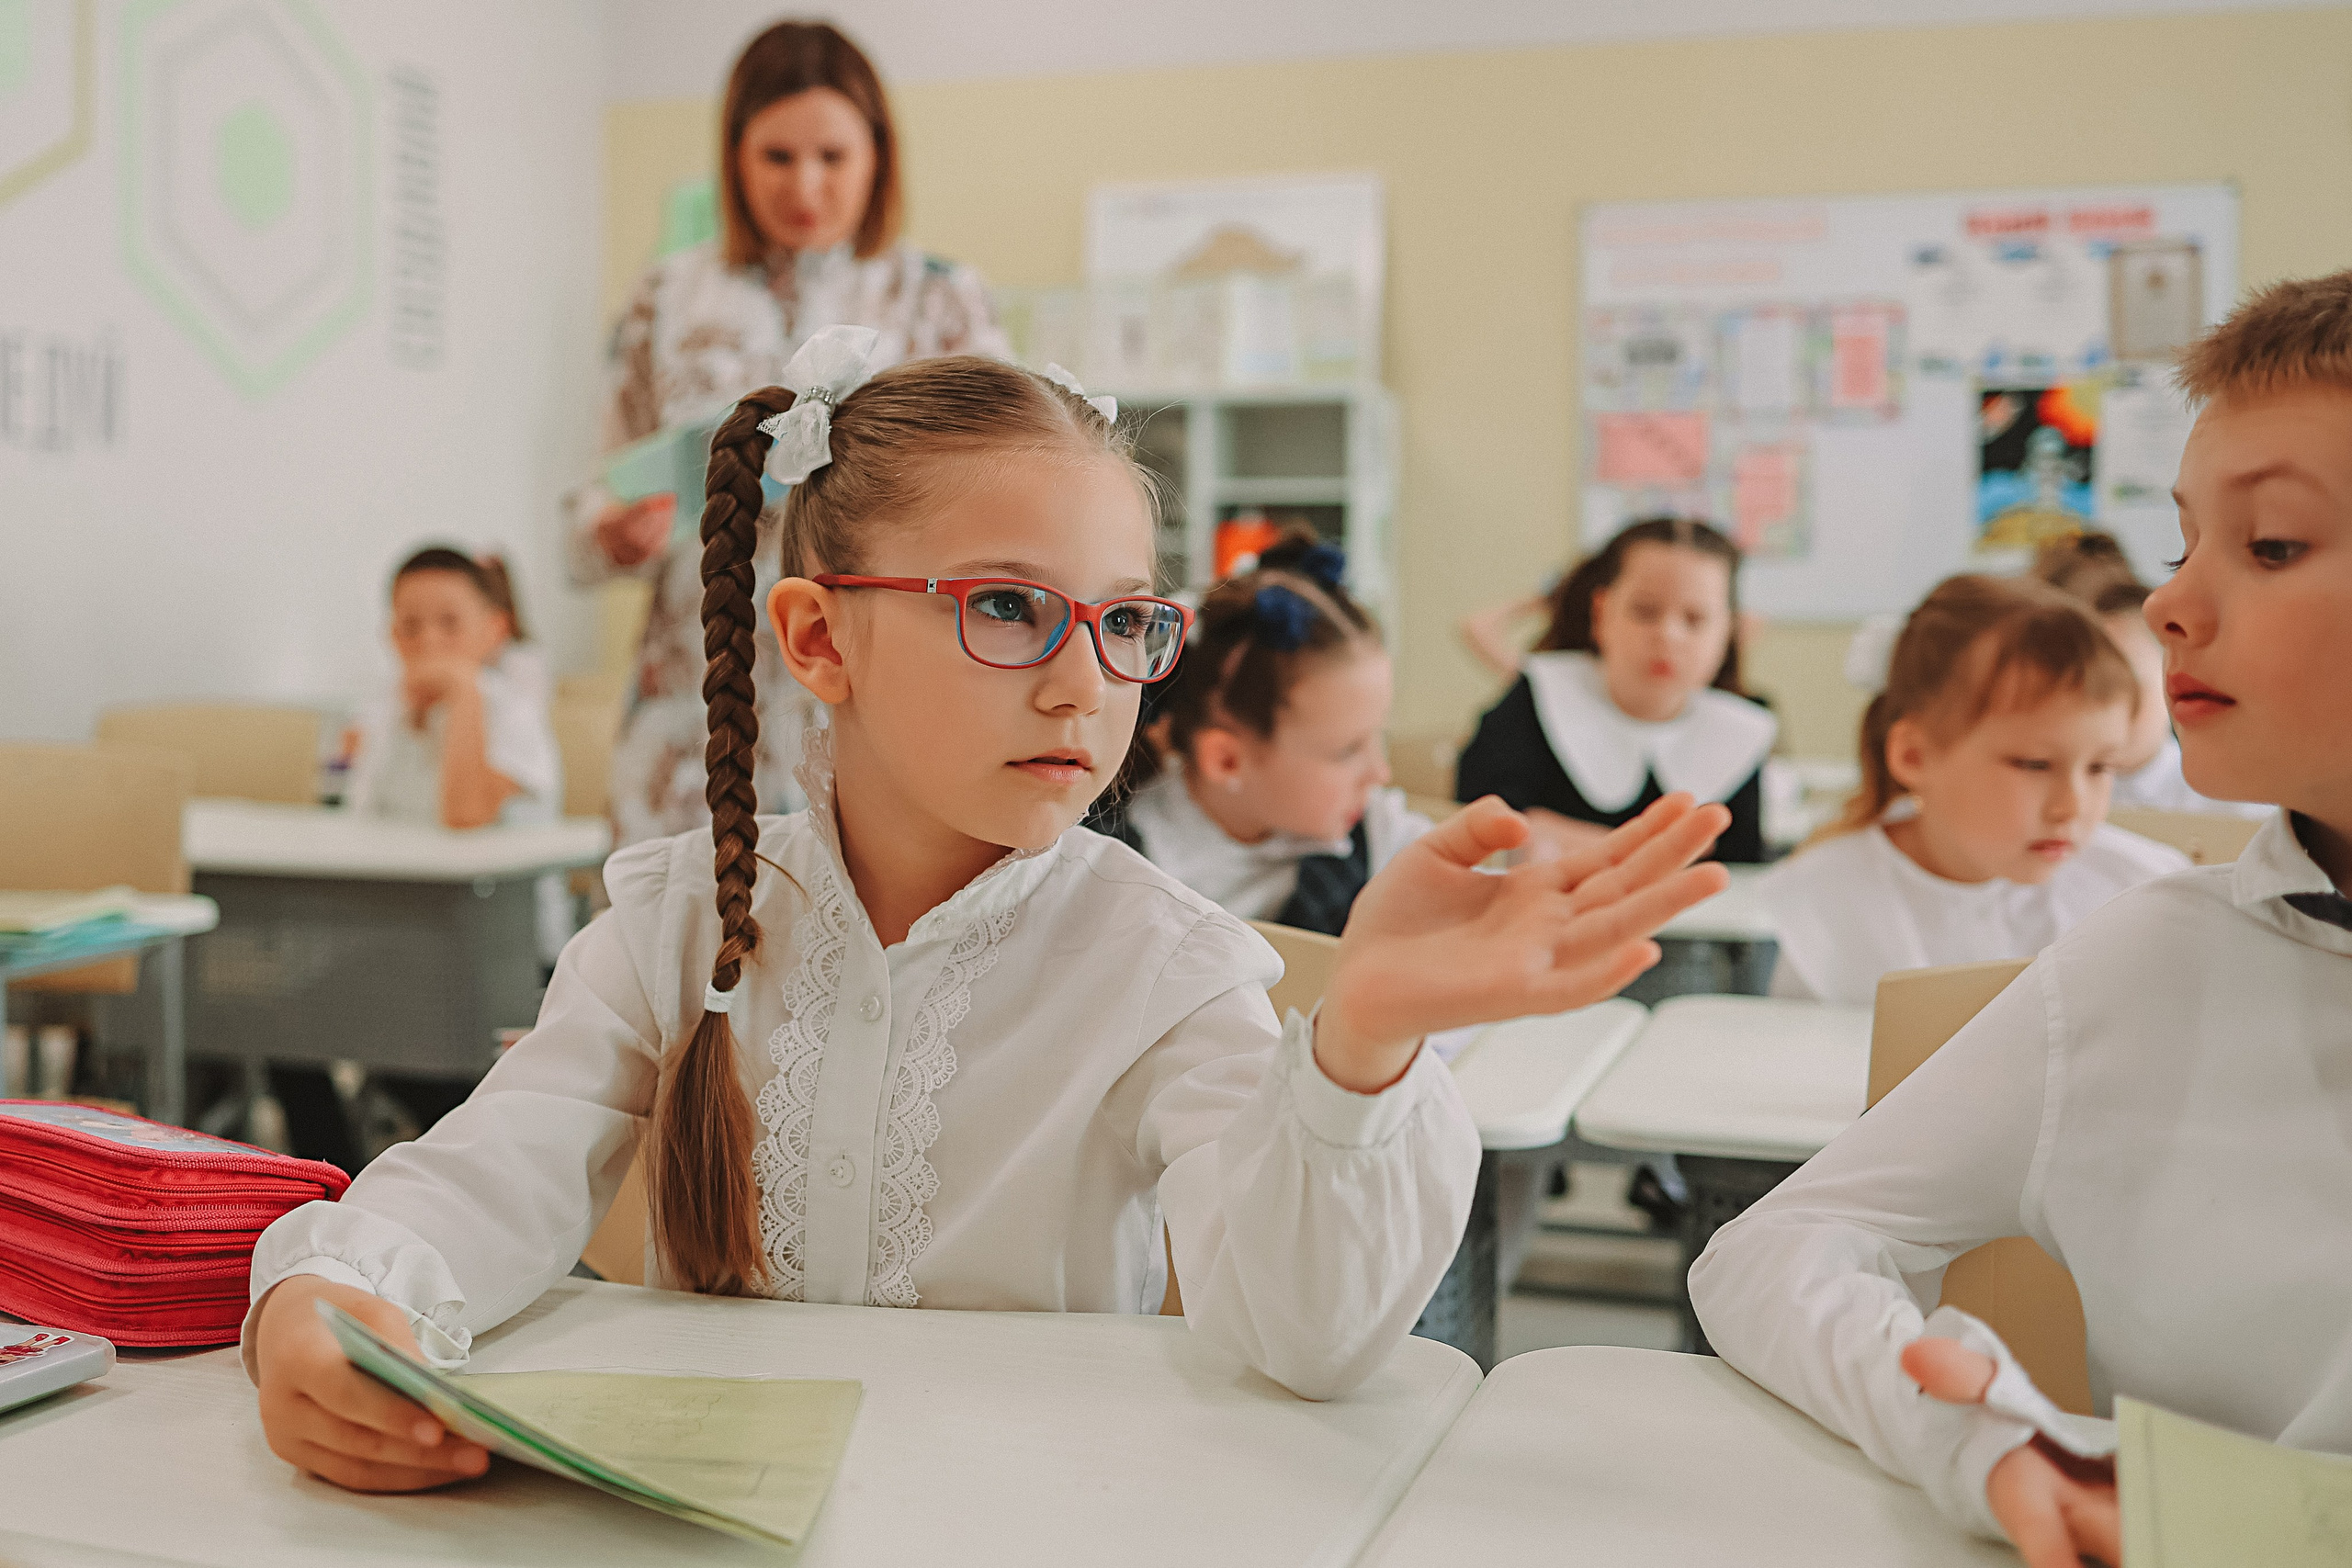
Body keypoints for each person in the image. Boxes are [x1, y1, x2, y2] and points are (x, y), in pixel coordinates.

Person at [243, 336, 1737, 1493]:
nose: (1086, 682)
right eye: (1010, 607)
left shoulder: (1167, 968)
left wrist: (1361, 1043)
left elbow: (1313, 1340)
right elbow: (478, 1181)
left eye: (1128, 620)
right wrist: (323, 1291)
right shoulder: (673, 919)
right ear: (820, 636)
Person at [1690, 269, 2352, 1568]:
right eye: (2184, 543)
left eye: (2271, 543)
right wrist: (1985, 1433)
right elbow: (1773, 1248)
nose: (2171, 603)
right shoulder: (2150, 962)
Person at [567, 20, 1008, 848]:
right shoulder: (665, 298)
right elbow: (586, 513)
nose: (805, 185)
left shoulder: (942, 301)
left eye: (832, 157)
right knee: (676, 958)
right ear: (735, 155)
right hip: (692, 718)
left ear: (877, 155)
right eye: (777, 157)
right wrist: (616, 534)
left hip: (875, 708)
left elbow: (1004, 500)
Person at [1760, 574, 2187, 1006]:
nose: (2072, 807)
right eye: (2034, 765)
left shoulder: (2141, 891)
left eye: (2101, 767)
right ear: (1914, 757)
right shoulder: (1830, 896)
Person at [1114, 531, 1429, 937]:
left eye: (1376, 737)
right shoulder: (1123, 871)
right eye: (1347, 750)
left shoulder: (1378, 836)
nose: (1380, 773)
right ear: (1227, 761)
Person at [1453, 517, 1775, 864]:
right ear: (1602, 612)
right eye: (1645, 611)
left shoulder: (1741, 728)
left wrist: (1561, 833)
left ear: (1729, 631)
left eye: (1695, 619)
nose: (1668, 635)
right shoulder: (1538, 696)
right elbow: (1475, 827)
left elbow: (1739, 865)